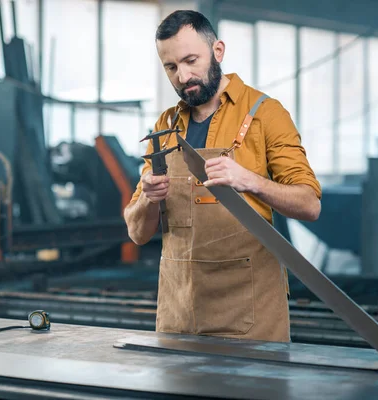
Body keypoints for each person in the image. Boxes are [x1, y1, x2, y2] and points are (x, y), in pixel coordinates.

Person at [123, 10, 322, 342]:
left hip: (249, 314)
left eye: (191, 60)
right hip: (179, 314)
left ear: (217, 52)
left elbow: (310, 205)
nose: (183, 76)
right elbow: (137, 234)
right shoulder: (166, 126)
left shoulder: (265, 114)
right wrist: (147, 196)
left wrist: (249, 181)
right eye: (171, 67)